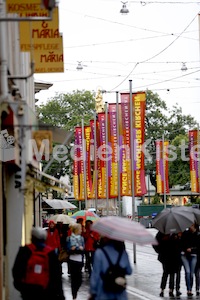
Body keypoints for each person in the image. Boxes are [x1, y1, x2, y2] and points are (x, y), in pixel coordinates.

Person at [12, 227, 65, 300]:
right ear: (45, 238)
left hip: (28, 290)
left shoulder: (25, 250)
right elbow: (57, 275)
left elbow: (16, 270)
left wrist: (21, 287)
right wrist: (60, 294)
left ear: (32, 237)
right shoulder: (51, 253)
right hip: (47, 291)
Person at [153, 231, 182, 298]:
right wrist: (160, 251)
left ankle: (171, 290)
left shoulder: (177, 233)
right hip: (165, 256)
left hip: (175, 256)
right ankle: (162, 289)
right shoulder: (162, 233)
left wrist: (178, 238)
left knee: (173, 273)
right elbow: (155, 243)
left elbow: (181, 244)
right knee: (165, 272)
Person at [181, 223, 199, 297]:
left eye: (191, 225)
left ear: (195, 226)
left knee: (191, 273)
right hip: (185, 255)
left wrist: (192, 249)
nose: (190, 227)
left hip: (194, 255)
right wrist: (186, 249)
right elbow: (182, 243)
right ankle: (189, 289)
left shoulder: (198, 235)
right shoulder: (185, 233)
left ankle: (191, 288)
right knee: (187, 272)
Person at [68, 223, 85, 300]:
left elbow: (83, 249)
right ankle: (74, 296)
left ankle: (75, 291)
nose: (81, 230)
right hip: (72, 260)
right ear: (77, 230)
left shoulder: (81, 238)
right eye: (80, 229)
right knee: (74, 279)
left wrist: (76, 248)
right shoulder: (69, 238)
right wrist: (77, 248)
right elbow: (68, 249)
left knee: (79, 280)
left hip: (79, 260)